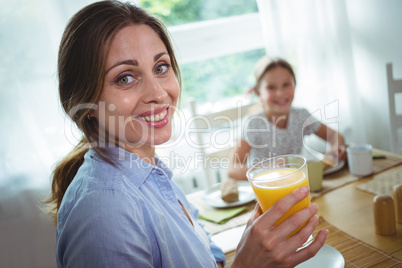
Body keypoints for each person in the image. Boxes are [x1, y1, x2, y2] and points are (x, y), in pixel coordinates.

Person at [44, 1, 327, 267]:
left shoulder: (150, 173)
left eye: (161, 68)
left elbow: (207, 253)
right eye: (125, 77)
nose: (158, 93)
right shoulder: (104, 211)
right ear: (87, 102)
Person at [228, 56, 346, 181]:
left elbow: (334, 136)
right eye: (271, 87)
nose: (280, 93)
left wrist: (335, 149)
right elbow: (233, 169)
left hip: (298, 185)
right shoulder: (254, 124)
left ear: (295, 85)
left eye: (286, 84)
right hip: (269, 191)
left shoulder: (301, 116)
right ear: (259, 93)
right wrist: (269, 169)